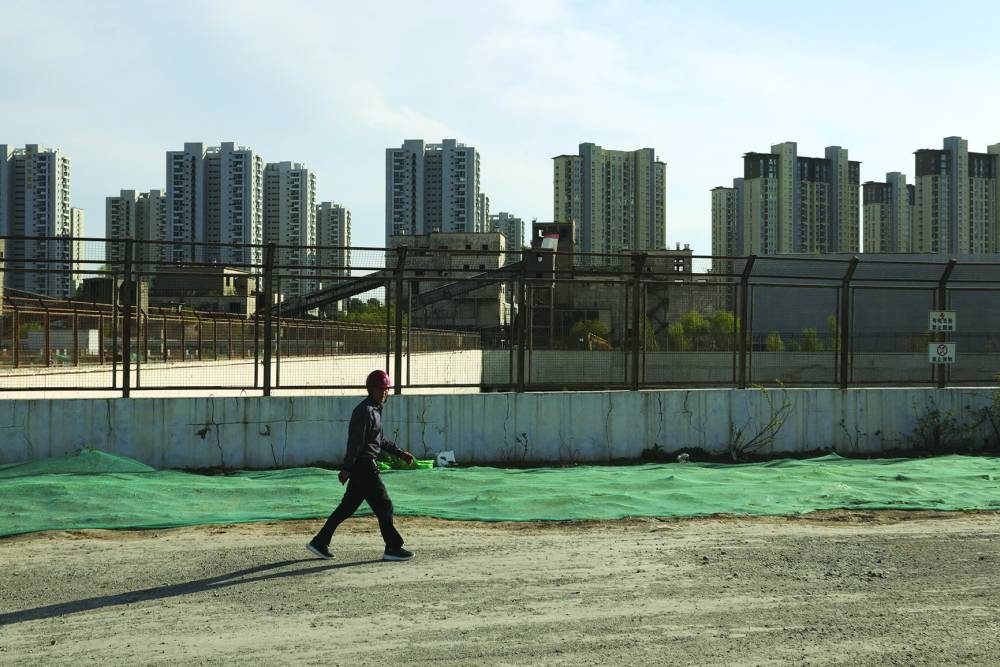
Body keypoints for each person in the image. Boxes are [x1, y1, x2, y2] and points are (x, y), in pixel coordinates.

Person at [307, 370, 416, 562]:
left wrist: (400, 453)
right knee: (385, 506)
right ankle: (393, 547)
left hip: (362, 467)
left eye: (386, 389)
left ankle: (319, 542)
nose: (384, 393)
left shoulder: (375, 410)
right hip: (364, 466)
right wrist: (346, 468)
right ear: (371, 389)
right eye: (380, 389)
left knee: (347, 507)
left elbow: (379, 440)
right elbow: (355, 442)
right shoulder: (364, 411)